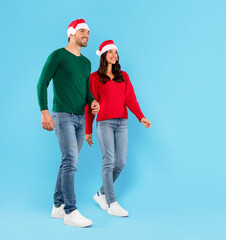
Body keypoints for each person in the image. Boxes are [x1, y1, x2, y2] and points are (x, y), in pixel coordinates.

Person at [37, 19, 100, 227]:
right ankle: (70, 212)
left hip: (81, 118)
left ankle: (57, 205)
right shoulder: (58, 55)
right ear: (71, 33)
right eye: (83, 31)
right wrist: (44, 112)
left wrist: (92, 101)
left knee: (68, 161)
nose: (87, 35)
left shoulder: (86, 62)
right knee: (70, 160)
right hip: (62, 116)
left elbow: (86, 90)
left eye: (89, 33)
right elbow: (42, 82)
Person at [85, 40, 151, 217]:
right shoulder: (95, 78)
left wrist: (141, 117)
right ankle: (112, 203)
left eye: (116, 52)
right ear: (104, 55)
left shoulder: (124, 76)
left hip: (122, 123)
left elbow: (131, 99)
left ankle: (101, 194)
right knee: (109, 162)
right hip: (104, 123)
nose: (114, 55)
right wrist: (88, 129)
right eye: (110, 52)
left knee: (120, 163)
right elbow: (91, 105)